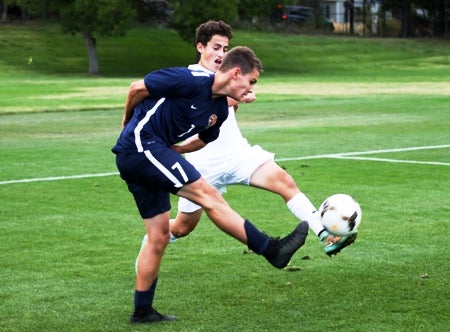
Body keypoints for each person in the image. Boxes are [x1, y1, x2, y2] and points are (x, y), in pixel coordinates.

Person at [112, 46, 309, 324]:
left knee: (158, 237)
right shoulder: (189, 80)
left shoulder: (219, 108)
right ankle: (271, 250)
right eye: (251, 82)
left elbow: (205, 138)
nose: (252, 89)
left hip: (150, 153)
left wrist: (177, 151)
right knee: (209, 196)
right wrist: (127, 124)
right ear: (236, 73)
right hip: (140, 147)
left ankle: (142, 310)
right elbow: (136, 88)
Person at [136, 20, 357, 262]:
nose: (220, 54)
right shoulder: (191, 76)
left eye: (225, 49)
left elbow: (233, 103)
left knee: (285, 181)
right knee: (181, 228)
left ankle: (325, 234)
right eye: (215, 47)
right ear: (200, 47)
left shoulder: (231, 80)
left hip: (238, 156)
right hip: (201, 166)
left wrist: (241, 94)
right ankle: (153, 240)